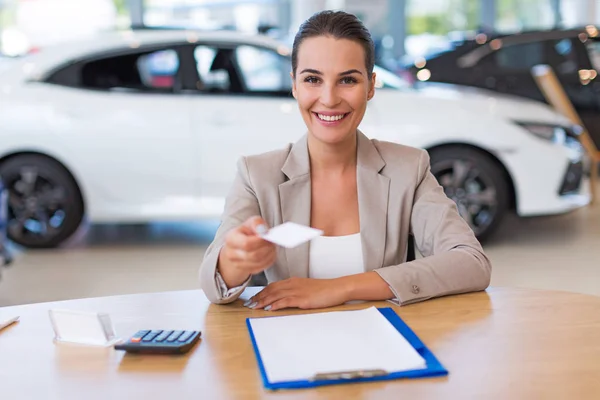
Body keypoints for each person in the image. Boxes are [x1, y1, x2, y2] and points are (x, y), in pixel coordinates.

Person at [199, 10, 491, 311]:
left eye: (347, 80)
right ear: (294, 85)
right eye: (312, 79)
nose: (329, 98)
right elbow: (214, 286)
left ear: (371, 85)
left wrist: (337, 288)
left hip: (385, 344)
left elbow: (471, 262)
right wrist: (234, 260)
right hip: (287, 345)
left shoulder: (408, 169)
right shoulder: (257, 174)